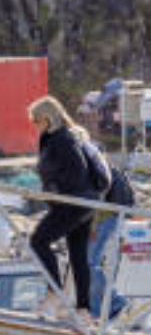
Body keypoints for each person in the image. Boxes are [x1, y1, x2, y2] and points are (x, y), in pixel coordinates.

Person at [28, 96, 101, 320]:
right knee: (77, 256)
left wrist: (55, 191)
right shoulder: (68, 136)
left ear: (48, 118)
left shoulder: (61, 139)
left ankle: (54, 292)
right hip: (84, 203)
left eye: (36, 120)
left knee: (37, 241)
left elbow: (76, 170)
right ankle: (84, 310)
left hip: (71, 203)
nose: (35, 125)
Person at [88, 159, 136, 319]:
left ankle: (115, 301)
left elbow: (96, 200)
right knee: (90, 264)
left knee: (89, 264)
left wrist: (92, 227)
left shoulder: (92, 168)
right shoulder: (104, 165)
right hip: (113, 217)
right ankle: (99, 308)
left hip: (106, 218)